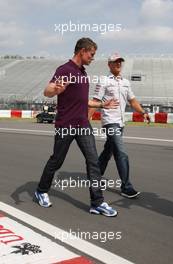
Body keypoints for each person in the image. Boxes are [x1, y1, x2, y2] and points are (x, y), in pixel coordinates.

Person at [35, 38, 119, 217]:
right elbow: (47, 90)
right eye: (92, 54)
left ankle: (97, 202)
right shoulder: (65, 70)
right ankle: (41, 190)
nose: (93, 58)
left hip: (83, 124)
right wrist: (55, 90)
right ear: (82, 51)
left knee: (93, 161)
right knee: (56, 161)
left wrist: (102, 105)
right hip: (66, 125)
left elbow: (83, 101)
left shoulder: (82, 73)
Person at [89, 53, 150, 198]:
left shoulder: (126, 82)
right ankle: (126, 186)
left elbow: (133, 101)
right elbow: (95, 100)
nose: (118, 64)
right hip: (110, 122)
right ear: (109, 65)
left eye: (120, 62)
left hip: (121, 123)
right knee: (121, 153)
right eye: (115, 62)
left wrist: (143, 112)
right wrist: (86, 119)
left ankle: (95, 177)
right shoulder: (103, 80)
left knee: (108, 152)